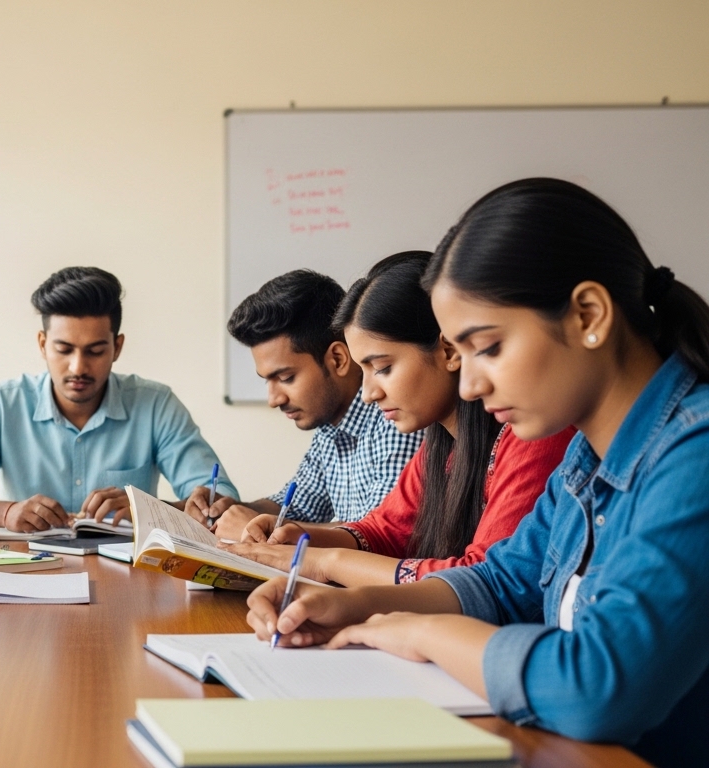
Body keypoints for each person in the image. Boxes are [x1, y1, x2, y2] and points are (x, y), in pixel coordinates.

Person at [246, 179, 709, 767]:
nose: (468, 385)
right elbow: (503, 581)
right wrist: (354, 606)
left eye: (487, 348)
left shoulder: (694, 452)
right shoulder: (585, 458)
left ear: (588, 315)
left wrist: (422, 633)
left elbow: (598, 687)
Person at [230, 252, 573, 586]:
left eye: (382, 368)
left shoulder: (532, 434)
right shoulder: (441, 445)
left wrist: (325, 561)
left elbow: (482, 581)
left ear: (448, 351)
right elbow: (385, 531)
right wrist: (303, 536)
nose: (368, 393)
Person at [0, 266, 236, 531]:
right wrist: (6, 513)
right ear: (42, 344)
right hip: (26, 571)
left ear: (117, 347)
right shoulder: (2, 404)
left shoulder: (156, 405)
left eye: (95, 351)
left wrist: (147, 508)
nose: (78, 367)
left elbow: (219, 500)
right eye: (64, 349)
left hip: (129, 574)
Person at [200, 270, 422, 536]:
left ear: (338, 359)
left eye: (286, 378)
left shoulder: (396, 418)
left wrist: (263, 528)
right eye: (267, 381)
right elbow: (297, 506)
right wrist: (232, 509)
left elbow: (378, 536)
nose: (274, 399)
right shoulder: (330, 427)